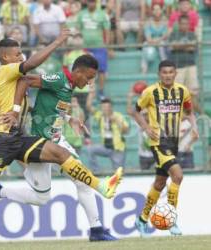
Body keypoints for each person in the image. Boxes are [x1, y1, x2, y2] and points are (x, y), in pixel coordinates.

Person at [0, 29, 123, 248]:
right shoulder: (5, 71)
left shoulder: (18, 78)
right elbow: (29, 67)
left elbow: (43, 102)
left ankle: (102, 187)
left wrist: (67, 117)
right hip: (2, 139)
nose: (21, 57)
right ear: (5, 57)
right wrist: (58, 41)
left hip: (19, 136)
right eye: (18, 53)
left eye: (22, 53)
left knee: (61, 154)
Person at [0, 55, 119, 241]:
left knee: (82, 182)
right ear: (78, 72)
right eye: (88, 77)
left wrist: (70, 119)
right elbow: (25, 80)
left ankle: (97, 230)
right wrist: (14, 110)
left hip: (57, 141)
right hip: (40, 146)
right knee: (42, 199)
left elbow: (52, 108)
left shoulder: (69, 86)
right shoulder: (59, 79)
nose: (89, 82)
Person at [131, 60, 198, 237]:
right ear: (159, 74)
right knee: (178, 175)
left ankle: (142, 220)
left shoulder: (182, 91)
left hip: (174, 142)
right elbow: (135, 111)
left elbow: (190, 111)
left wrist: (195, 127)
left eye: (170, 72)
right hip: (159, 142)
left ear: (175, 73)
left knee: (160, 183)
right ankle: (172, 221)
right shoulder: (150, 92)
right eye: (164, 72)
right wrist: (146, 128)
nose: (167, 75)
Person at [86, 90, 129, 173]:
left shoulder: (118, 116)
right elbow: (88, 107)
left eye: (106, 107)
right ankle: (96, 171)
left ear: (111, 107)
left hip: (117, 149)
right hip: (105, 147)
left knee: (119, 173)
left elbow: (126, 131)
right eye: (103, 107)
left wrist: (117, 121)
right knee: (90, 149)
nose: (104, 109)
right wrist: (91, 94)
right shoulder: (101, 116)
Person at [77, 0, 110, 100]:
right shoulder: (81, 14)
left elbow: (107, 30)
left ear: (96, 3)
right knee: (85, 69)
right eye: (89, 2)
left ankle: (101, 91)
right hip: (85, 47)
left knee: (101, 70)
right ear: (86, 3)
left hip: (99, 46)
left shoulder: (102, 14)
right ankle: (88, 91)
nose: (91, 4)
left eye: (93, 2)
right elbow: (79, 29)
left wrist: (106, 45)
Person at [168, 14, 200, 113]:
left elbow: (193, 47)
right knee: (178, 94)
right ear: (179, 24)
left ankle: (196, 116)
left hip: (191, 66)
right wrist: (186, 46)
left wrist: (180, 46)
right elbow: (172, 46)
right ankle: (182, 118)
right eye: (182, 24)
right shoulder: (174, 34)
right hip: (178, 67)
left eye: (186, 24)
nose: (184, 26)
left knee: (193, 93)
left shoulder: (192, 34)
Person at [141, 3, 168, 74]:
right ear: (152, 11)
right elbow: (148, 37)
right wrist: (153, 41)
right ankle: (144, 69)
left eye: (158, 9)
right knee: (145, 44)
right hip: (151, 42)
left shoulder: (165, 21)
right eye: (154, 10)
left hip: (161, 41)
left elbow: (165, 36)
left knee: (162, 44)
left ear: (161, 10)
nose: (156, 11)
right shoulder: (148, 22)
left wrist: (158, 40)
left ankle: (164, 66)